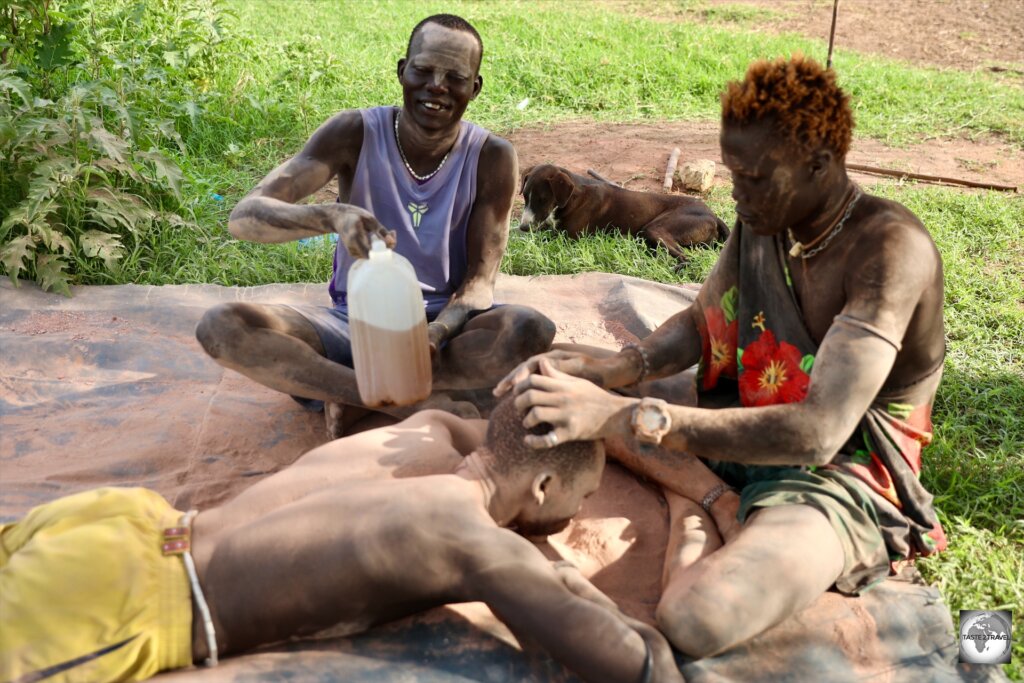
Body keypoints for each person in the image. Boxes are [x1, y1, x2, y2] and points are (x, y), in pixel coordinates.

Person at [497, 55, 948, 658]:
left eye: (754, 177)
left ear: (820, 164)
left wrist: (614, 415)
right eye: (734, 172)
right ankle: (706, 494)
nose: (737, 192)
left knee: (696, 618)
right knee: (555, 381)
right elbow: (702, 321)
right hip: (740, 410)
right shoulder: (765, 217)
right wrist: (624, 367)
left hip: (842, 474)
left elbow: (818, 433)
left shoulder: (890, 251)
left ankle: (692, 496)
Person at [0, 399, 683, 683]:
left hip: (126, 521)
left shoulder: (429, 431)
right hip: (129, 596)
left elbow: (496, 427)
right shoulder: (473, 542)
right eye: (581, 496)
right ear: (539, 490)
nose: (581, 510)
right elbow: (633, 666)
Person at [194, 14, 555, 435]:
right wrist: (330, 215)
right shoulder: (355, 132)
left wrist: (435, 335)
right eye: (423, 70)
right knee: (223, 326)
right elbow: (245, 218)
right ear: (402, 70)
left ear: (474, 87)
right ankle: (396, 401)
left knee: (530, 328)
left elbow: (479, 283)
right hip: (355, 327)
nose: (436, 85)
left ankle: (353, 394)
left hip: (446, 333)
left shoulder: (492, 156)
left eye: (454, 76)